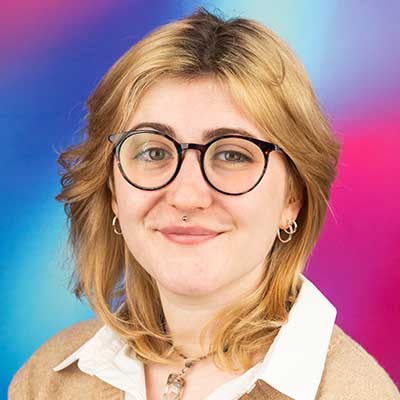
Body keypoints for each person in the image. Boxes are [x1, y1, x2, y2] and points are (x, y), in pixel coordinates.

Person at [8, 7, 399, 400]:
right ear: (113, 190)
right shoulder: (48, 381)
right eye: (153, 152)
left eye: (232, 155)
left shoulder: (354, 392)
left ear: (293, 197)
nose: (187, 195)